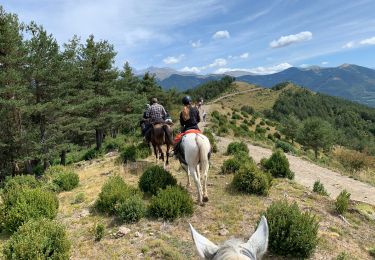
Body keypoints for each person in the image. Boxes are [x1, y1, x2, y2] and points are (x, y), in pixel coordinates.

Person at [173, 96, 201, 162]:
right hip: (196, 128)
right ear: (190, 102)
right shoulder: (195, 109)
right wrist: (194, 122)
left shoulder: (183, 112)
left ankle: (175, 153)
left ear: (183, 103)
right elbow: (198, 120)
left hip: (187, 129)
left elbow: (182, 124)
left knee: (177, 141)